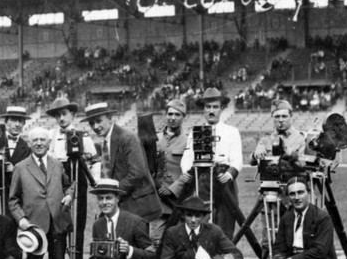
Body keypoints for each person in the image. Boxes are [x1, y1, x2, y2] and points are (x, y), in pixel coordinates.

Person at [9, 126, 74, 259]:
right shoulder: (21, 167)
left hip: (57, 221)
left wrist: (69, 196)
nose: (39, 143)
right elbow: (13, 200)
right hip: (34, 225)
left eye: (42, 140)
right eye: (35, 140)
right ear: (29, 144)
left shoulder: (57, 164)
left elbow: (68, 185)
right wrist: (21, 219)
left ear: (49, 143)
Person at [46, 96, 99, 259]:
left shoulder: (83, 136)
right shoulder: (51, 136)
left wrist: (96, 181)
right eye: (57, 115)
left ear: (73, 114)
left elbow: (95, 160)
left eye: (64, 114)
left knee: (77, 228)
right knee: (58, 229)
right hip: (58, 182)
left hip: (80, 179)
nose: (61, 118)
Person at [82, 101, 161, 224]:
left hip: (137, 206)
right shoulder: (107, 141)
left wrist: (113, 192)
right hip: (124, 205)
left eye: (98, 121)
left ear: (109, 118)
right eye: (91, 123)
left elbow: (137, 173)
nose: (95, 126)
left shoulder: (127, 138)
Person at [178, 88, 243, 237]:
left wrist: (229, 174)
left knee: (225, 217)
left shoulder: (231, 131)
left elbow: (237, 159)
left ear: (221, 109)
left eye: (215, 107)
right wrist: (187, 172)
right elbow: (188, 156)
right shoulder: (196, 132)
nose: (211, 111)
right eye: (208, 107)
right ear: (203, 110)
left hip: (223, 179)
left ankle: (224, 255)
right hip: (202, 179)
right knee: (202, 216)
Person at [153, 99, 189, 244]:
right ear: (165, 115)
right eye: (170, 114)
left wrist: (173, 189)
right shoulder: (156, 139)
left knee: (178, 242)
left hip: (178, 199)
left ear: (183, 117)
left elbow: (190, 170)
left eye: (177, 115)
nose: (173, 118)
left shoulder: (188, 140)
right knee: (155, 240)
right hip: (159, 200)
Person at [250, 99, 307, 174]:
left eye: (284, 116)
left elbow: (304, 165)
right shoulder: (266, 139)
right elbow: (251, 162)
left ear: (291, 116)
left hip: (295, 180)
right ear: (272, 117)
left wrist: (289, 154)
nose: (280, 120)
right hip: (270, 181)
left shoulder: (302, 138)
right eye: (277, 117)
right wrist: (255, 154)